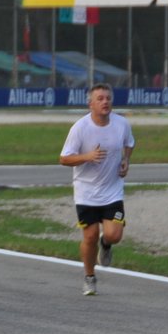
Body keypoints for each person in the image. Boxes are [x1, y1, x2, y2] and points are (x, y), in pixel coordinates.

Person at [59, 83, 134, 296]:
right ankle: (89, 277)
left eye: (108, 98)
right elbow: (64, 158)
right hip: (86, 192)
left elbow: (129, 143)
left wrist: (126, 161)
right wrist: (87, 157)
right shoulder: (80, 128)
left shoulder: (121, 124)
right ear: (90, 103)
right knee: (89, 236)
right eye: (100, 98)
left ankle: (106, 244)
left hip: (112, 190)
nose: (105, 102)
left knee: (114, 234)